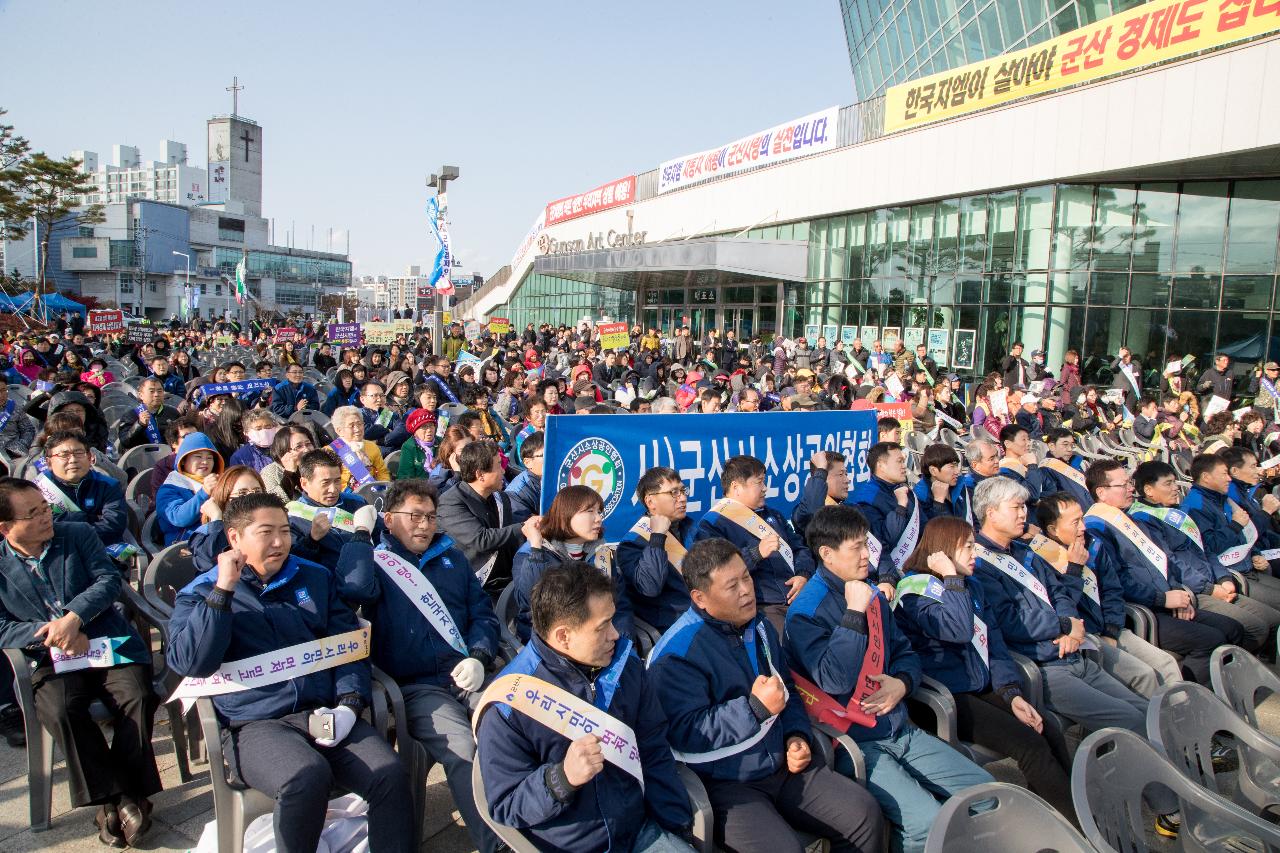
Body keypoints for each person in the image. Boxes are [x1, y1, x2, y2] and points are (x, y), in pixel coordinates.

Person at [166, 493, 415, 853]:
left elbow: (349, 646)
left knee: (389, 773)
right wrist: (223, 591)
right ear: (234, 538)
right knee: (306, 776)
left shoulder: (314, 577)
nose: (280, 542)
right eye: (266, 532)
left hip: (322, 713)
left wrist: (348, 704)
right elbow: (192, 662)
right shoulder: (202, 591)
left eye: (284, 530)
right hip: (254, 724)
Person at [970, 476, 1182, 836]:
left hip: (1075, 653)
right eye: (1016, 508)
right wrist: (1062, 626)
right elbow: (1009, 621)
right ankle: (1169, 808)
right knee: (1127, 719)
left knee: (1146, 711)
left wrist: (1070, 623)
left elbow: (1061, 591)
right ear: (991, 513)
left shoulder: (1025, 552)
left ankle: (1162, 785)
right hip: (1042, 667)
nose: (1025, 515)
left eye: (1024, 507)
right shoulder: (980, 562)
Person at [648, 538, 884, 853]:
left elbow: (786, 687)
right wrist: (754, 710)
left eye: (746, 577)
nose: (746, 590)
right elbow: (684, 732)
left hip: (783, 764)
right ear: (700, 598)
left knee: (863, 814)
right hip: (727, 786)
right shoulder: (675, 654)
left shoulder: (759, 625)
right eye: (732, 586)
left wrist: (796, 735)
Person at [786, 504, 992, 852]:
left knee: (985, 792)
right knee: (924, 822)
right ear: (827, 554)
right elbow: (834, 680)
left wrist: (903, 683)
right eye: (857, 548)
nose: (867, 555)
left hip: (899, 725)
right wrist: (853, 613)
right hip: (851, 740)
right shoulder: (805, 612)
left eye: (868, 544)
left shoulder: (870, 594)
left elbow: (905, 652)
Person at [476, 561, 696, 853]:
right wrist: (561, 780)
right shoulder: (510, 704)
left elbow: (653, 748)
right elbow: (506, 805)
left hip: (639, 832)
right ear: (563, 636)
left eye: (613, 620)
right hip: (569, 846)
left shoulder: (625, 666)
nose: (616, 635)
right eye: (603, 626)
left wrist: (678, 827)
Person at [339, 479, 502, 853]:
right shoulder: (378, 562)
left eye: (431, 517)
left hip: (468, 673)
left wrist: (478, 656)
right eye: (414, 516)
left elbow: (483, 616)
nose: (425, 525)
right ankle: (497, 845)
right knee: (463, 748)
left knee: (517, 725)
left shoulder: (452, 557)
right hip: (415, 687)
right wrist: (361, 535)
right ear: (389, 518)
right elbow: (353, 591)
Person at [0, 478, 161, 846]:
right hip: (48, 657)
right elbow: (2, 627)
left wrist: (74, 618)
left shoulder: (76, 534)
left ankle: (112, 803)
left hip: (104, 640)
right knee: (59, 710)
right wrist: (51, 632)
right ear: (6, 528)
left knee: (138, 694)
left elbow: (107, 580)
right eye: (34, 513)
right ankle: (125, 799)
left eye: (45, 507)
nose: (46, 517)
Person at [895, 515, 1076, 822]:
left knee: (1049, 729)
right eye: (967, 547)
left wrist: (1012, 694)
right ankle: (1078, 828)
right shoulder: (915, 592)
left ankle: (1055, 811)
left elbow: (995, 645)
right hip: (947, 697)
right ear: (944, 550)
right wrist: (951, 578)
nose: (975, 554)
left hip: (983, 685)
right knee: (1030, 745)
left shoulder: (973, 585)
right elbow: (958, 630)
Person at [1035, 490, 1179, 697]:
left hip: (1110, 628)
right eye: (1075, 523)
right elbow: (1061, 605)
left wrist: (1111, 628)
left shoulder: (1093, 545)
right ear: (1053, 529)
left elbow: (1112, 590)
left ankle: (1182, 717)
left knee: (1166, 663)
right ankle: (1156, 725)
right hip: (1084, 637)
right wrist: (1074, 569)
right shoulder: (1040, 558)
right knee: (1144, 675)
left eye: (1082, 519)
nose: (1083, 527)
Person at [1119, 461, 1248, 681]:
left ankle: (1230, 686)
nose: (1175, 488)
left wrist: (1224, 578)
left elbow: (1204, 550)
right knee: (1248, 628)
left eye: (1174, 482)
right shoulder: (1142, 519)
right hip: (1188, 592)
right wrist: (1205, 589)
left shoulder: (1176, 513)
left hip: (1198, 587)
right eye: (1168, 484)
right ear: (1149, 490)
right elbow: (1169, 563)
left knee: (1239, 628)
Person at [693, 455, 815, 633]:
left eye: (764, 482)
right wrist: (756, 553)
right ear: (736, 487)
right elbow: (717, 571)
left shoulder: (774, 515)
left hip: (799, 596)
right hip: (762, 606)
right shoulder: (713, 523)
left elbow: (800, 548)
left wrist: (803, 574)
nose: (765, 488)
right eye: (759, 482)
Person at [1179, 453, 1280, 653]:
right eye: (1224, 473)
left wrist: (1255, 553)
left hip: (1247, 564)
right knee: (1265, 622)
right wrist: (1235, 526)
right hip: (1233, 572)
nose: (1228, 478)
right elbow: (1211, 547)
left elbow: (1246, 536)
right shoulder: (1196, 506)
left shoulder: (1222, 499)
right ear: (1206, 477)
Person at [513, 484, 632, 643]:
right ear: (565, 515)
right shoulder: (532, 553)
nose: (598, 518)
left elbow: (620, 604)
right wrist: (536, 545)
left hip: (603, 639)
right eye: (590, 511)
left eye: (599, 512)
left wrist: (623, 641)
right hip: (558, 644)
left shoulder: (601, 554)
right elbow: (532, 606)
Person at [437, 440, 528, 596]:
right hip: (472, 587)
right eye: (498, 465)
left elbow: (508, 542)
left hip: (506, 580)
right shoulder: (451, 502)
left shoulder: (500, 498)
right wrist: (523, 527)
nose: (504, 471)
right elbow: (480, 540)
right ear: (480, 474)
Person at [617, 467, 694, 632]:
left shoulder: (692, 528)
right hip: (673, 626)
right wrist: (657, 537)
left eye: (683, 490)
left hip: (706, 613)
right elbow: (650, 587)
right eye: (674, 493)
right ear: (650, 502)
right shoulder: (632, 543)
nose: (682, 498)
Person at [37, 429, 130, 551]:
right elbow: (41, 528)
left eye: (79, 453)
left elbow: (113, 526)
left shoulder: (108, 485)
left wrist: (66, 521)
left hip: (100, 552)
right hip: (56, 554)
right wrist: (90, 518)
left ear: (89, 457)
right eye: (64, 455)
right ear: (49, 462)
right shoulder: (38, 490)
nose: (73, 460)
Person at [849, 443, 920, 598]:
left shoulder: (903, 490)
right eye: (899, 461)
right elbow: (883, 540)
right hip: (893, 574)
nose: (904, 466)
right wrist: (901, 507)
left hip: (916, 566)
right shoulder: (868, 499)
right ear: (881, 465)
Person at [285, 449, 375, 571]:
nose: (333, 489)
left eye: (337, 481)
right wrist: (312, 539)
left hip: (370, 571)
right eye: (325, 483)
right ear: (304, 483)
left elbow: (380, 537)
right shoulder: (292, 518)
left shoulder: (357, 502)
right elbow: (292, 564)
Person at [1220, 446, 1280, 605]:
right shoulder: (1231, 493)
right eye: (1253, 466)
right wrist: (1266, 511)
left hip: (1261, 550)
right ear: (1235, 471)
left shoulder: (1243, 489)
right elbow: (1248, 532)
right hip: (1251, 558)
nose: (1258, 471)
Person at [187, 465, 267, 572]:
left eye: (257, 491)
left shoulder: (273, 524)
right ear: (225, 497)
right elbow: (208, 563)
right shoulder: (204, 533)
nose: (251, 498)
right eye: (242, 493)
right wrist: (217, 519)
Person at [155, 432, 224, 545]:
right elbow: (179, 518)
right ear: (183, 461)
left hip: (217, 538)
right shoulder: (170, 487)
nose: (205, 462)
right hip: (185, 546)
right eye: (198, 456)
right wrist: (204, 493)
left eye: (209, 458)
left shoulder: (218, 481)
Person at [328, 406, 392, 490]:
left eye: (359, 424)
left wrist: (383, 489)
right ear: (339, 430)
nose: (357, 429)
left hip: (373, 493)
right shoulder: (330, 452)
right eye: (351, 426)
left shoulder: (372, 446)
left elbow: (382, 472)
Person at [791, 450, 850, 538]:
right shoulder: (803, 512)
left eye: (846, 474)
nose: (847, 480)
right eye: (840, 474)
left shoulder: (851, 508)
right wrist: (821, 470)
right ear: (823, 478)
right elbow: (812, 509)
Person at [114, 376, 178, 453]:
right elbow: (125, 442)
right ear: (141, 395)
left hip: (169, 457)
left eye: (160, 391)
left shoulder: (173, 413)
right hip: (141, 460)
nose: (156, 394)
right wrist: (139, 425)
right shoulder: (130, 415)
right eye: (151, 391)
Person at [259, 424, 316, 502]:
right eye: (299, 446)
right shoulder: (269, 473)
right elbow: (275, 503)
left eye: (308, 444)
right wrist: (289, 473)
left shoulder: (319, 464)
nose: (306, 450)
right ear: (284, 450)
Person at [1038, 428, 1091, 508]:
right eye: (1065, 444)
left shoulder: (1079, 462)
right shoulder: (1046, 469)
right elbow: (1052, 501)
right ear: (1051, 446)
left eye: (1072, 445)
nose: (1070, 449)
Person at [912, 444, 963, 521]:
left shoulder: (960, 484)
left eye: (956, 465)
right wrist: (938, 503)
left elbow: (973, 519)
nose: (957, 471)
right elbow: (934, 530)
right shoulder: (921, 497)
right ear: (933, 471)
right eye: (952, 467)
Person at [997, 424, 1045, 504]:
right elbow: (1031, 495)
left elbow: (1049, 488)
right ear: (1007, 444)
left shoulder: (1027, 464)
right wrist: (1032, 465)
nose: (1029, 443)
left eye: (1028, 439)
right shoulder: (1004, 470)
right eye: (1023, 440)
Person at [504, 429, 543, 524]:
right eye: (545, 455)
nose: (553, 458)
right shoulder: (516, 493)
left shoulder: (561, 477)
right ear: (528, 462)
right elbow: (524, 531)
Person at [397, 407, 438, 481]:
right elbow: (405, 477)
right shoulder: (409, 447)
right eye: (424, 427)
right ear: (415, 431)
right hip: (419, 488)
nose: (429, 430)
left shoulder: (441, 442)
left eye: (431, 425)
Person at [0, 382, 36, 459]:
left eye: (3, 390)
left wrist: (22, 444)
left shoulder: (13, 407)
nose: (1, 395)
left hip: (15, 452)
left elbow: (28, 429)